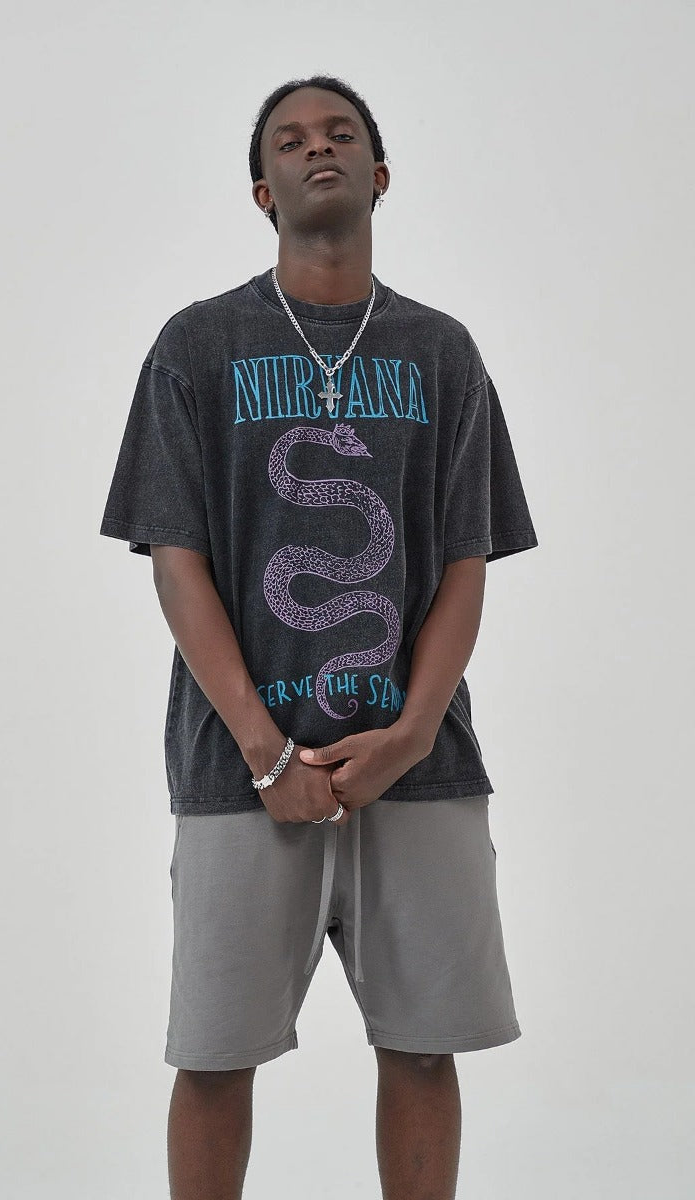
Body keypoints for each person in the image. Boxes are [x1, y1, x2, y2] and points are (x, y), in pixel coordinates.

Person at [99, 73, 539, 1200]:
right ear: (263, 191)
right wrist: (264, 751)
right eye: (289, 141)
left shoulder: (441, 352)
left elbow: (465, 559)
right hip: (238, 769)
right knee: (213, 1056)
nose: (317, 148)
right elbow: (176, 560)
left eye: (340, 133)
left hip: (418, 764)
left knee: (424, 1047)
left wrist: (412, 732)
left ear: (380, 175)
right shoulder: (197, 346)